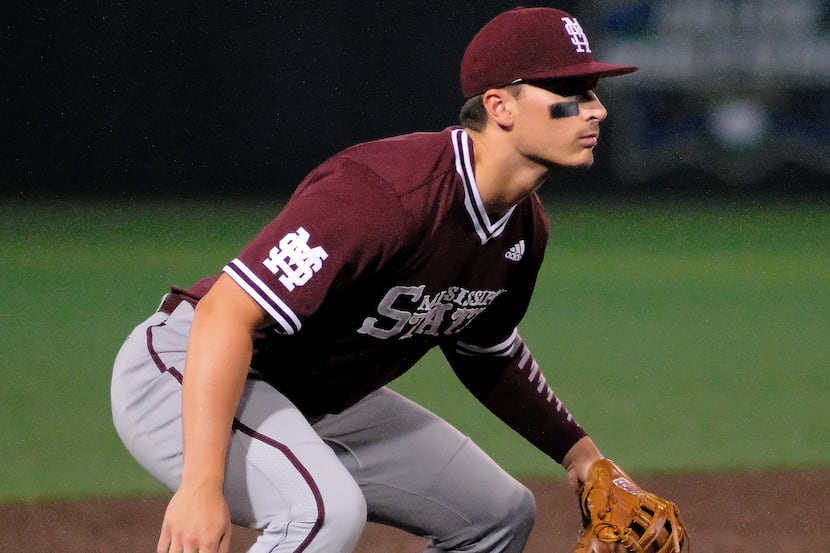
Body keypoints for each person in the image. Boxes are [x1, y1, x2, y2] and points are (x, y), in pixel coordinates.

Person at [111, 7, 638, 553]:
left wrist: (583, 456)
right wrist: (200, 486)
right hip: (186, 369)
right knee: (324, 514)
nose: (595, 109)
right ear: (499, 105)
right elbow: (225, 314)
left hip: (313, 396)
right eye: (570, 90)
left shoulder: (524, 229)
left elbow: (486, 349)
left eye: (594, 90)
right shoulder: (384, 195)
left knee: (499, 515)